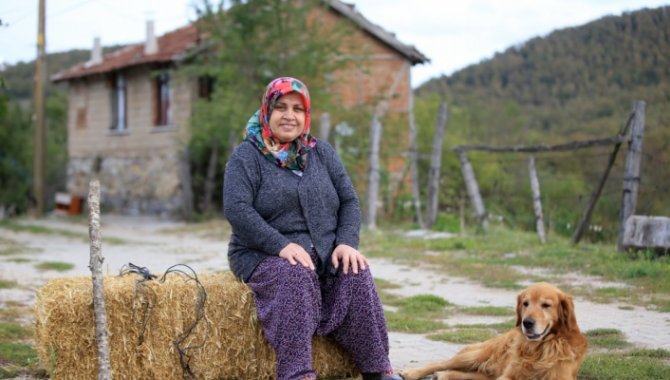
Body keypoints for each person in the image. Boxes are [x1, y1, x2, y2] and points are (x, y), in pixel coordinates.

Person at [223, 77, 401, 380]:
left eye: (297, 109)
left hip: (324, 249)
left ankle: (377, 368)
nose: (289, 115)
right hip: (263, 253)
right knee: (294, 273)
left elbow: (349, 200)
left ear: (307, 116)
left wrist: (346, 242)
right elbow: (237, 209)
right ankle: (297, 373)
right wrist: (280, 245)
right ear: (266, 110)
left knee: (355, 271)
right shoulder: (246, 156)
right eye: (280, 107)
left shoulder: (321, 152)